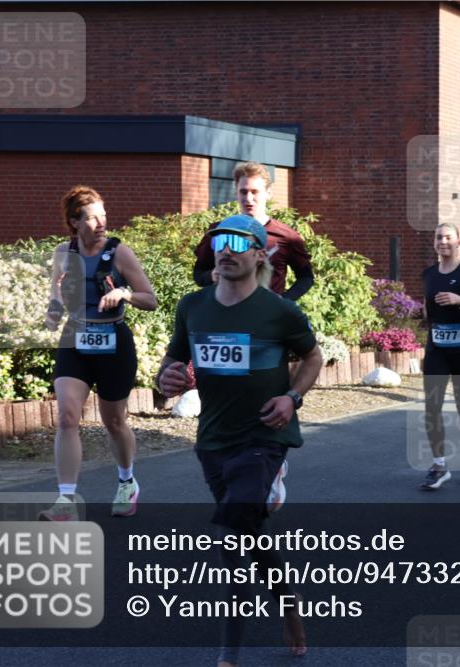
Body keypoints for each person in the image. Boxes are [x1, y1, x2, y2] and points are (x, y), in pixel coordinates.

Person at [157, 214, 321, 665]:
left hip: (265, 436)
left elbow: (312, 357)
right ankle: (289, 604)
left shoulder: (280, 310)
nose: (224, 249)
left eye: (235, 242)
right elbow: (171, 364)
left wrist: (292, 397)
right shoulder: (193, 306)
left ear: (258, 253)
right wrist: (166, 379)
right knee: (248, 532)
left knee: (232, 534)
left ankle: (228, 656)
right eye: (217, 243)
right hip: (213, 439)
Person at [40, 186, 158, 521]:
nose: (102, 222)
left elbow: (151, 299)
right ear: (74, 221)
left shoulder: (120, 253)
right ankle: (66, 500)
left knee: (115, 421)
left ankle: (127, 481)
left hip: (114, 343)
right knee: (66, 417)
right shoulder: (63, 253)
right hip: (75, 338)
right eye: (93, 217)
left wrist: (124, 293)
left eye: (103, 215)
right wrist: (55, 303)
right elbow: (53, 311)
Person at [420, 223, 460, 489]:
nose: (443, 241)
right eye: (438, 237)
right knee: (431, 408)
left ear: (459, 241)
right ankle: (439, 465)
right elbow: (429, 312)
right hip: (437, 348)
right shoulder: (428, 274)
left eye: (448, 237)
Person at [193, 162, 314, 300]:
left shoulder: (287, 236)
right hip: (226, 313)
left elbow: (306, 278)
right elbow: (198, 274)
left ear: (268, 193)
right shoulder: (218, 231)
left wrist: (283, 301)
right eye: (243, 192)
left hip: (268, 315)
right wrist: (212, 276)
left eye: (255, 192)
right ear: (236, 193)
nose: (248, 199)